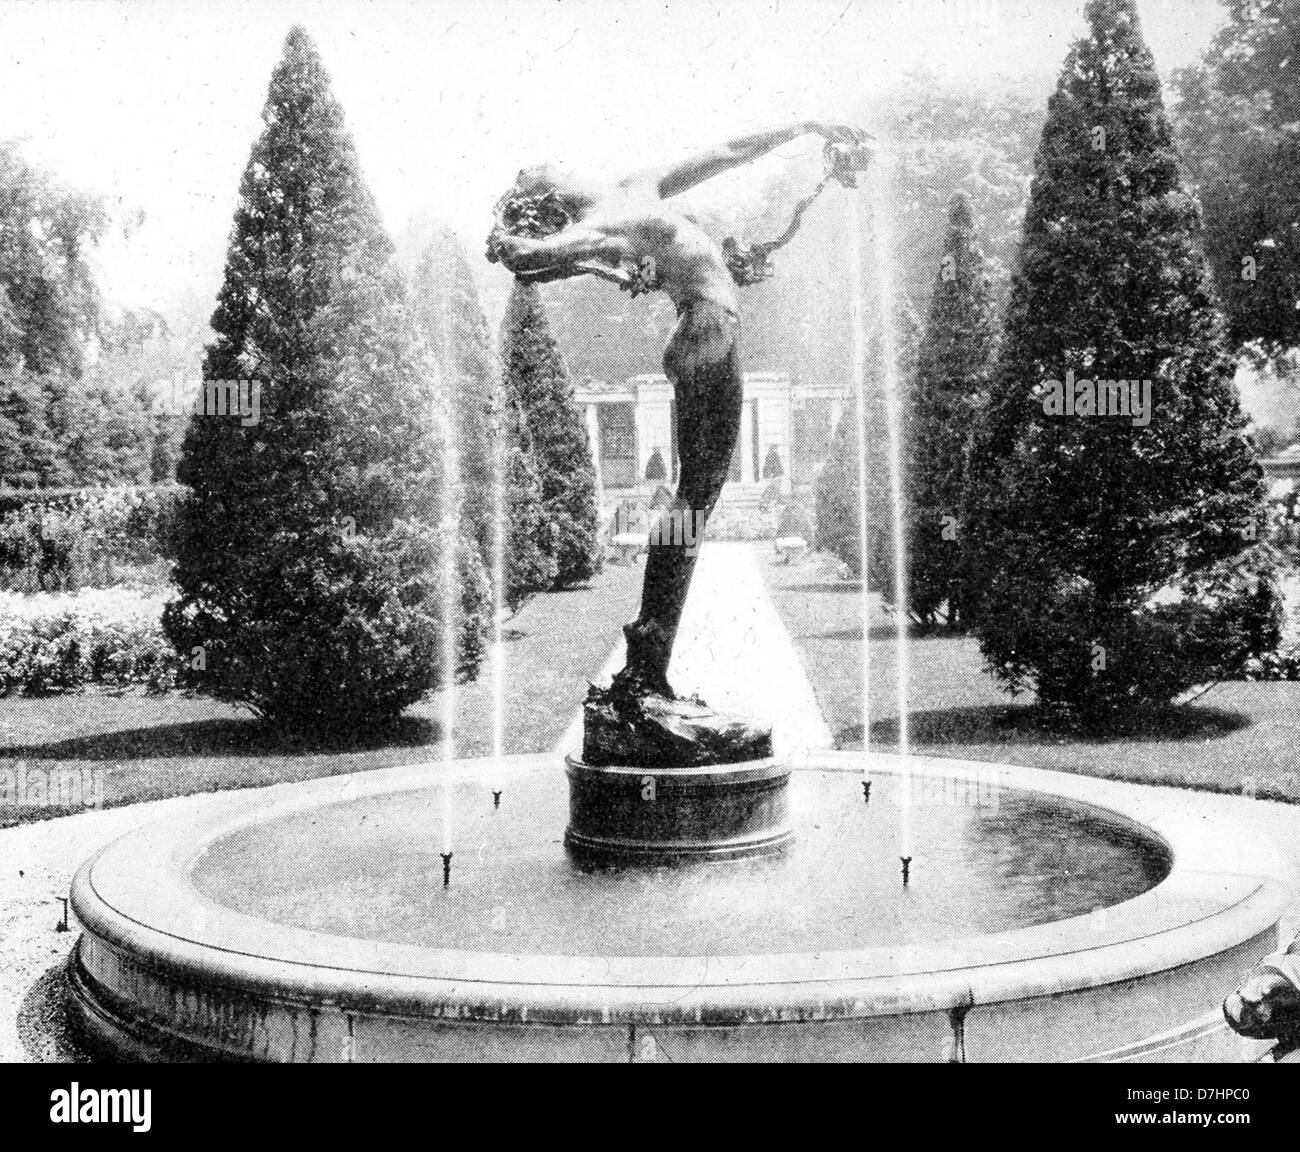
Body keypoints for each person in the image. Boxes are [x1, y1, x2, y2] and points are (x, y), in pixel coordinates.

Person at [488, 121, 870, 762]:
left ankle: (648, 658)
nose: (547, 158)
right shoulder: (616, 215)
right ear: (553, 194)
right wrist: (513, 238)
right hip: (703, 334)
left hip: (707, 327)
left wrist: (802, 129)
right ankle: (646, 668)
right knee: (696, 495)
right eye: (538, 170)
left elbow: (723, 150)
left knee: (697, 497)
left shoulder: (637, 188)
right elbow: (531, 259)